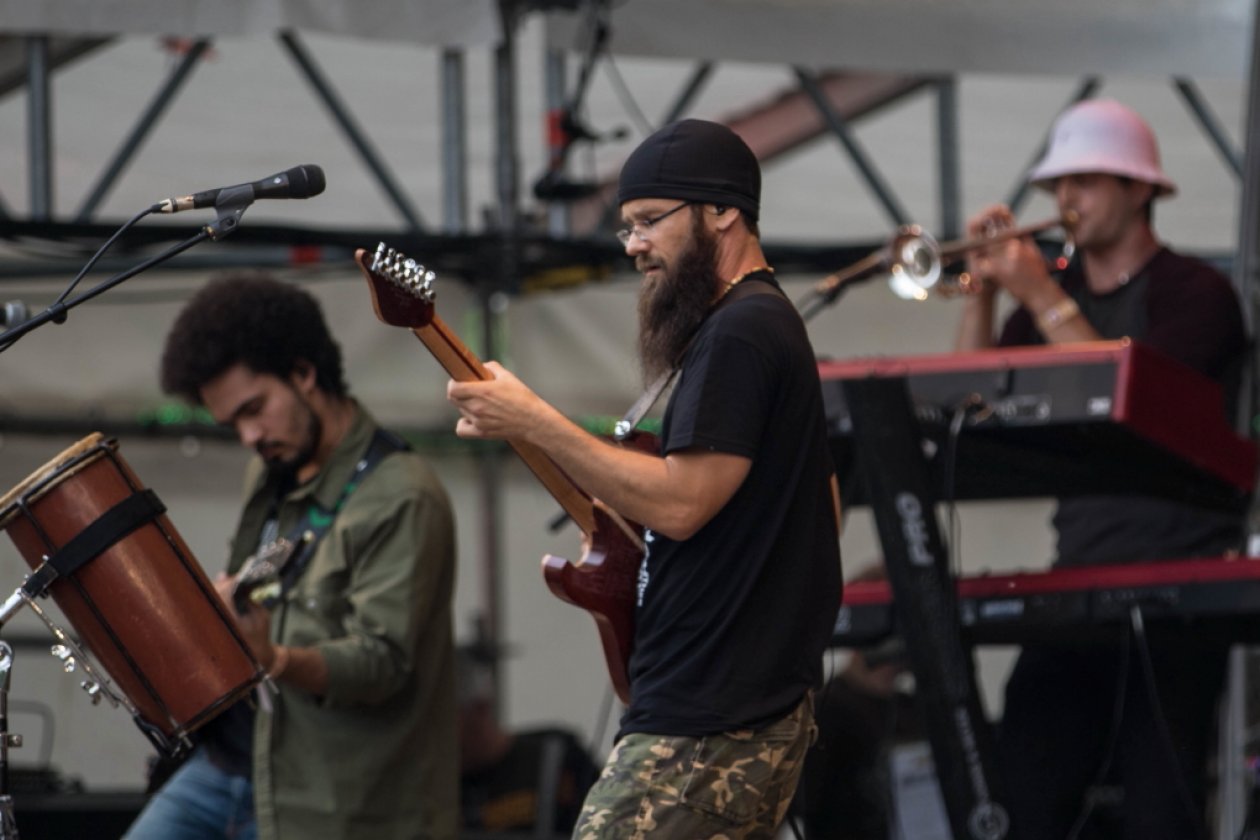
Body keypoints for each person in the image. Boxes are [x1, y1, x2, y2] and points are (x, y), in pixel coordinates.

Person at [447, 118, 843, 839]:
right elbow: (818, 502)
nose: (632, 246)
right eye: (626, 227)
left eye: (648, 222)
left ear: (722, 211)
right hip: (728, 708)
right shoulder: (754, 326)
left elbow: (685, 504)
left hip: (709, 719)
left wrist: (535, 420)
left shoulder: (741, 331)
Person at [955, 98, 1247, 839]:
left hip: (1179, 587)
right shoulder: (1052, 296)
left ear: (1141, 188)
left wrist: (1039, 293)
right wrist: (983, 292)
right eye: (1060, 185)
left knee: (1159, 814)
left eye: (1088, 180)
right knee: (1017, 800)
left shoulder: (1197, 294)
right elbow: (965, 397)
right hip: (1077, 579)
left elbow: (1132, 400)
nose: (1066, 202)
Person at [125, 273, 459, 840]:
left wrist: (275, 657)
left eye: (255, 409)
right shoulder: (269, 469)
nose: (250, 437)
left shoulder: (402, 493)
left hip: (333, 799)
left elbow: (383, 664)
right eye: (234, 423)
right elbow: (254, 595)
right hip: (233, 763)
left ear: (305, 374)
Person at [457, 644, 600, 837]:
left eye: (446, 723)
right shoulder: (433, 789)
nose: (440, 741)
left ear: (480, 708)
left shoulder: (559, 762)